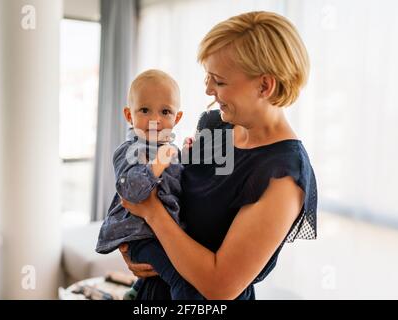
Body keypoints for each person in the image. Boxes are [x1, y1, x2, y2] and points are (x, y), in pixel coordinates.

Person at [119, 11, 318, 300]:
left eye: (219, 81)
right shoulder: (215, 125)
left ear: (265, 85)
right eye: (207, 77)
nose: (208, 89)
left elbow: (219, 287)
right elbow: (172, 191)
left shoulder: (283, 174)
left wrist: (151, 212)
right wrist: (132, 245)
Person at [96, 69, 207, 299]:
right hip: (141, 237)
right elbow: (130, 191)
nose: (155, 120)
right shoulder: (128, 151)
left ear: (176, 119)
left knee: (170, 273)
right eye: (145, 110)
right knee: (181, 277)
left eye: (165, 111)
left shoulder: (171, 151)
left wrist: (187, 156)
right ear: (129, 115)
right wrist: (157, 164)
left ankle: (136, 291)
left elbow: (180, 185)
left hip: (165, 233)